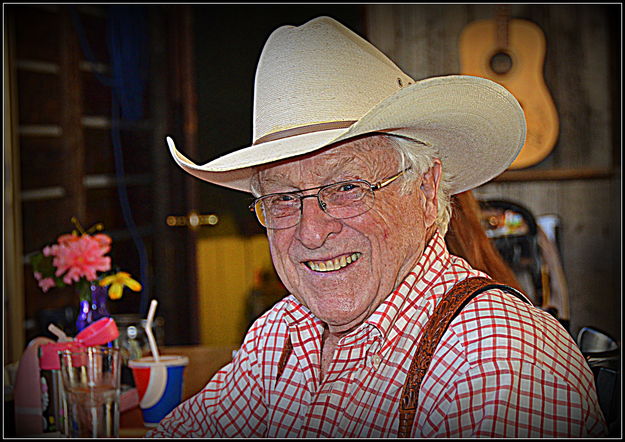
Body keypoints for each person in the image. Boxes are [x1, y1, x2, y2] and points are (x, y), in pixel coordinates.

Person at [149, 16, 606, 438]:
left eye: (347, 185)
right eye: (283, 197)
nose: (311, 232)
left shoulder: (498, 360)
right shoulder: (283, 332)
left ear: (427, 192)